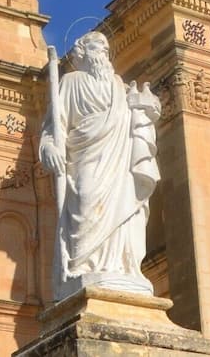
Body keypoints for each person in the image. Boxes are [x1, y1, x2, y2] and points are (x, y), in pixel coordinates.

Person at [39, 32, 161, 301]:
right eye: (96, 47)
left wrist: (146, 110)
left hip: (119, 159)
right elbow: (54, 125)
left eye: (106, 48)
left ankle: (121, 267)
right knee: (84, 199)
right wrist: (49, 147)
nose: (103, 52)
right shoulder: (70, 82)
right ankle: (82, 265)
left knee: (124, 210)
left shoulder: (119, 85)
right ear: (82, 52)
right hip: (85, 156)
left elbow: (134, 114)